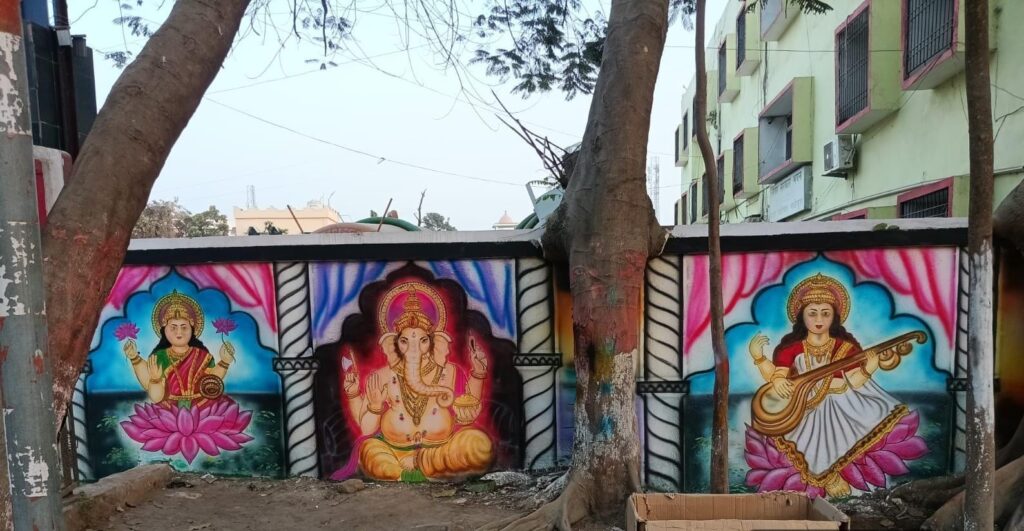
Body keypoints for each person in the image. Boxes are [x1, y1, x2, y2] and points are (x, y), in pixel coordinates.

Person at [747, 273, 910, 497]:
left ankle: (835, 474)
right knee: (807, 433)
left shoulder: (846, 347)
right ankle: (828, 478)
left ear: (834, 317)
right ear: (802, 317)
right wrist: (760, 360)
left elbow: (854, 381)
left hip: (841, 400)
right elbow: (777, 376)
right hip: (802, 404)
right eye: (812, 313)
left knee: (844, 418)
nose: (819, 319)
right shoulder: (791, 348)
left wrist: (869, 368)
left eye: (825, 313)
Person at [341, 283, 493, 482]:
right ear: (393, 344)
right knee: (369, 450)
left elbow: (468, 409)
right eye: (404, 341)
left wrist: (479, 373)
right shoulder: (381, 376)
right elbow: (367, 429)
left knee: (479, 445)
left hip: (439, 449)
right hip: (394, 450)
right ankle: (407, 472)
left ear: (434, 343)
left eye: (423, 340)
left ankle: (419, 463)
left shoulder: (449, 372)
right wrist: (371, 404)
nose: (414, 348)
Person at [123, 291, 236, 408]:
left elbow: (212, 383)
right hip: (169, 409)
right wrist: (152, 376)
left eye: (184, 327)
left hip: (201, 407)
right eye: (173, 328)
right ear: (164, 330)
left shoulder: (203, 356)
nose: (179, 333)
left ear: (192, 328)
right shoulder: (159, 357)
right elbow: (155, 397)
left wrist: (225, 362)